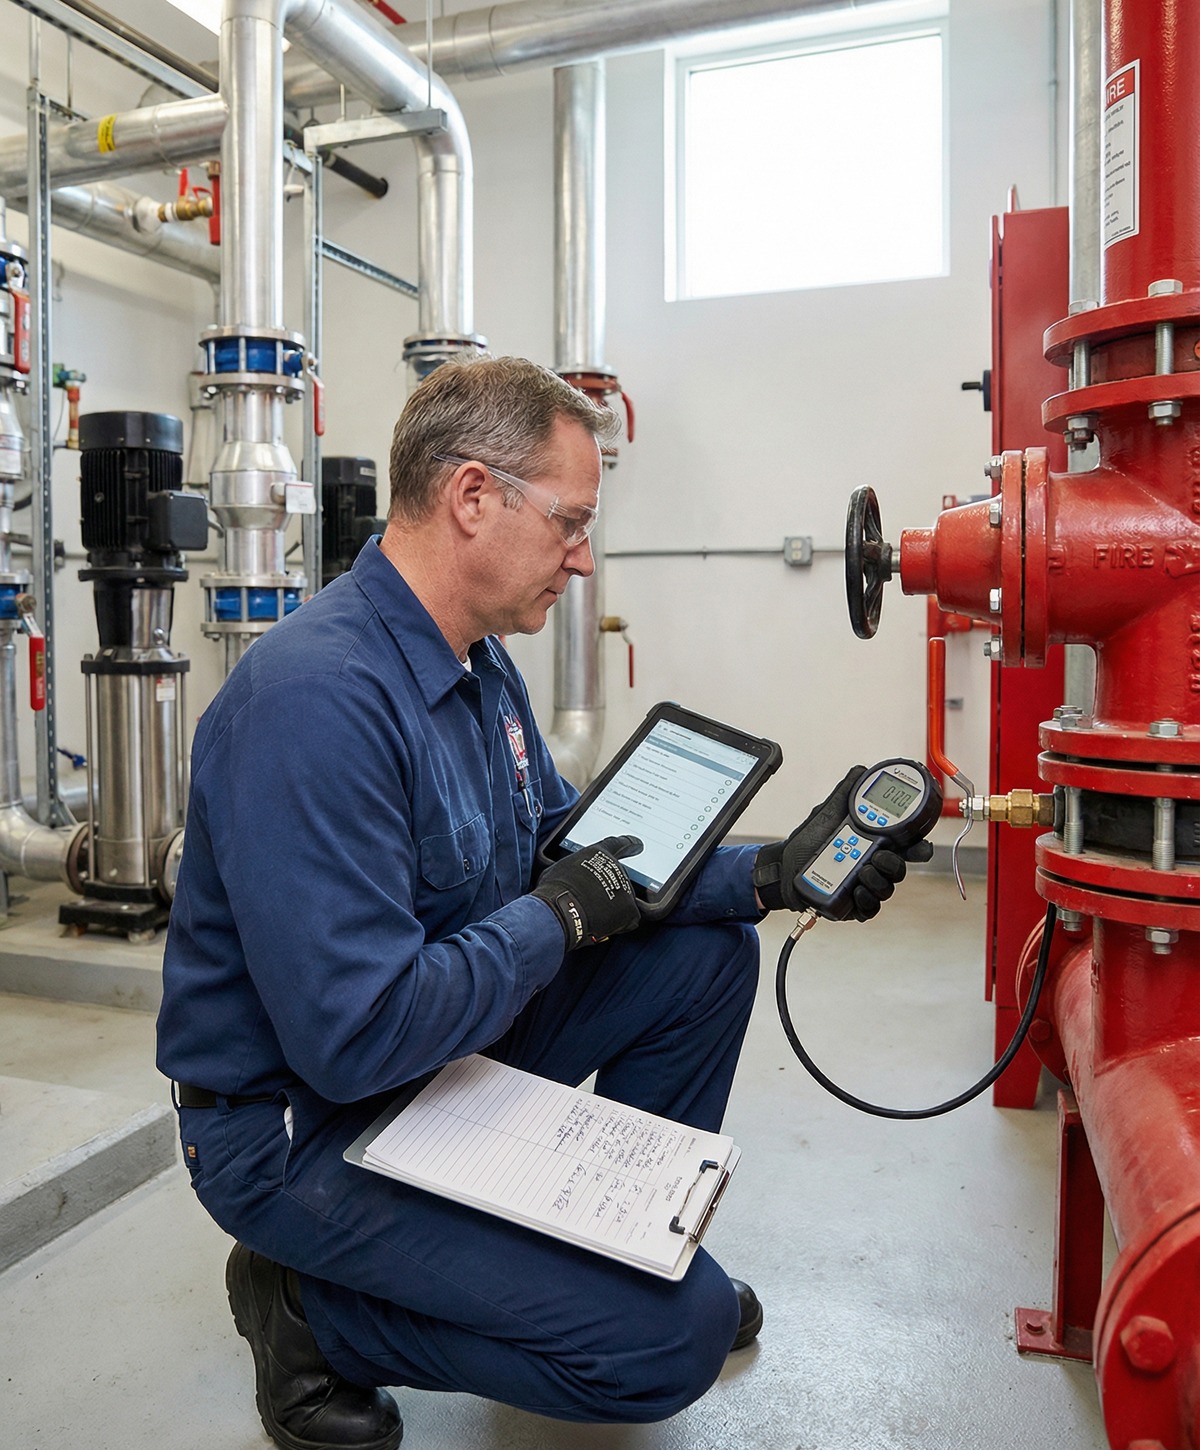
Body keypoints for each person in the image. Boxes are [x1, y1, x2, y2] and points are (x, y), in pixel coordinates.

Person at [157, 355, 929, 1450]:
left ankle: (614, 1251)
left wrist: (767, 874)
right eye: (569, 521)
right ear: (473, 497)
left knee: (705, 954)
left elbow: (579, 857)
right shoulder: (315, 701)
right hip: (303, 1126)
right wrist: (554, 915)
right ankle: (304, 1311)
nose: (582, 554)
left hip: (436, 1053)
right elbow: (358, 1036)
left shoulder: (479, 667)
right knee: (671, 1342)